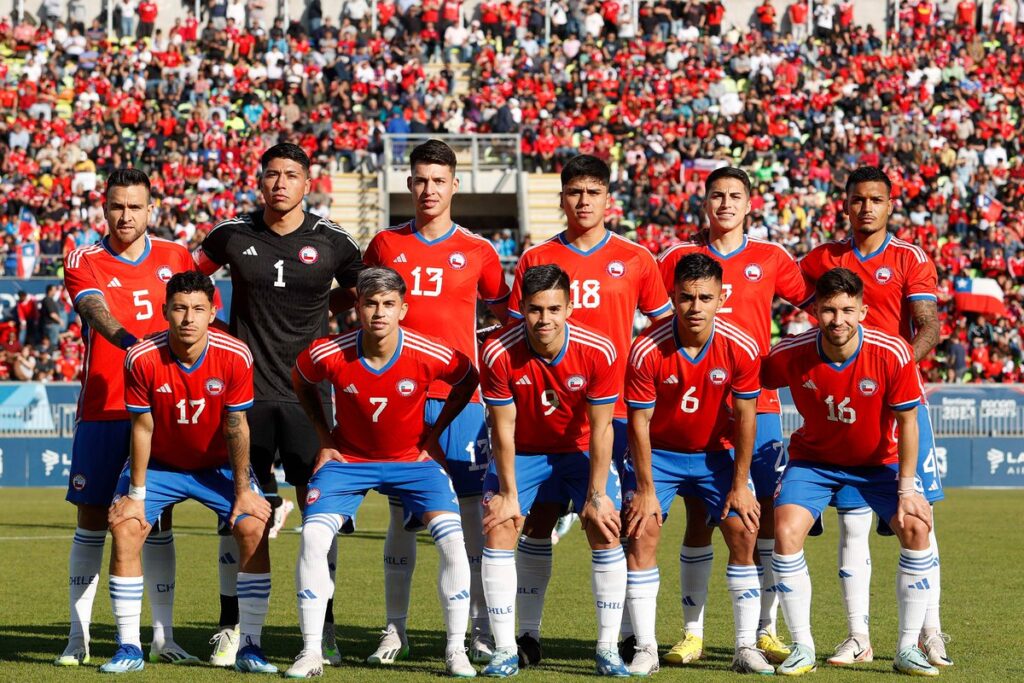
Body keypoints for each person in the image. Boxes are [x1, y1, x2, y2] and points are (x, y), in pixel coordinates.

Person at [195, 142, 364, 667]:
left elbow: (366, 297)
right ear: (260, 181)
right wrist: (218, 333)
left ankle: (325, 629)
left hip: (308, 402)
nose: (280, 184)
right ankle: (231, 627)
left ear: (306, 182)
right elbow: (188, 285)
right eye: (272, 175)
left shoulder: (334, 241)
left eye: (291, 175)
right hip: (244, 397)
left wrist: (325, 314)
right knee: (238, 514)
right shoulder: (231, 235)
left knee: (321, 518)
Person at [505, 154, 671, 666]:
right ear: (562, 198)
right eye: (574, 191)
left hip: (614, 412)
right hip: (544, 412)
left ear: (607, 200)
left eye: (593, 192)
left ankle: (624, 637)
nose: (583, 201)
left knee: (617, 521)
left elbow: (664, 328)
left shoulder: (637, 258)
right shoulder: (537, 258)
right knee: (537, 520)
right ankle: (527, 636)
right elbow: (515, 331)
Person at [286, 267, 480, 678]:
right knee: (313, 535)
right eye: (371, 303)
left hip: (412, 461)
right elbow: (300, 379)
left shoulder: (430, 352)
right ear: (356, 308)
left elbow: (467, 378)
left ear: (403, 309)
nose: (379, 312)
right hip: (349, 461)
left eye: (388, 304)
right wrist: (325, 435)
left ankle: (455, 650)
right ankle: (310, 651)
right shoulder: (329, 352)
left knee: (451, 541)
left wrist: (435, 433)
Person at [655, 167, 812, 665]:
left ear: (750, 204)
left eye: (734, 196)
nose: (725, 203)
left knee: (756, 516)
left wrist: (788, 355)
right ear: (704, 202)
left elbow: (822, 305)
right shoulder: (676, 259)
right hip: (691, 405)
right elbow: (659, 321)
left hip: (755, 405)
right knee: (699, 517)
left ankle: (763, 630)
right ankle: (692, 632)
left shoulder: (770, 258)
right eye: (716, 195)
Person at [362, 139, 510, 664]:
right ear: (409, 185)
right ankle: (395, 629)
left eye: (438, 181)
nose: (429, 190)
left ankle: (477, 630)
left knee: (471, 514)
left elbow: (504, 314)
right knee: (400, 513)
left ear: (454, 186)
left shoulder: (479, 251)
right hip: (399, 397)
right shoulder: (383, 245)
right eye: (420, 180)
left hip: (461, 401)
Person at [799, 166, 948, 668]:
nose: (867, 208)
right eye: (858, 199)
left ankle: (930, 631)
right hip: (845, 404)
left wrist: (896, 369)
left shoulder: (909, 257)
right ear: (845, 203)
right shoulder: (821, 259)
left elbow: (928, 325)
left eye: (876, 200)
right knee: (852, 525)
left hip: (899, 401)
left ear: (890, 205)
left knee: (918, 516)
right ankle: (858, 637)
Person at [761, 267, 939, 677]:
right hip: (814, 463)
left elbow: (908, 422)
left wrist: (908, 489)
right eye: (827, 311)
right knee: (785, 532)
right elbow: (751, 381)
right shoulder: (792, 352)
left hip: (879, 463)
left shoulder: (891, 350)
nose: (837, 320)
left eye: (846, 310)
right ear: (815, 312)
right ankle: (803, 645)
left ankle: (907, 646)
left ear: (863, 310)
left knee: (915, 527)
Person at [101, 271, 274, 673]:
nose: (188, 318)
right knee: (126, 526)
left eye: (198, 309)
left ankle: (250, 645)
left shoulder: (235, 355)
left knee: (252, 525)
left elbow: (237, 426)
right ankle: (128, 646)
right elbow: (142, 428)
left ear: (214, 312)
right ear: (165, 311)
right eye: (179, 308)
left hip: (217, 467)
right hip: (161, 465)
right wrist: (137, 496)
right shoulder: (142, 358)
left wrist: (245, 488)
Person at [59, 168, 196, 667]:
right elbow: (93, 307)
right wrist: (131, 344)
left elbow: (200, 318)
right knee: (92, 519)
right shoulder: (84, 257)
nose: (125, 216)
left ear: (150, 208)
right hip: (104, 407)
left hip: (160, 411)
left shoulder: (176, 256)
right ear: (104, 207)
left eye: (134, 207)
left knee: (156, 522)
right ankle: (78, 637)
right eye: (116, 206)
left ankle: (163, 636)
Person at [623, 253, 769, 675]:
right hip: (661, 456)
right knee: (642, 531)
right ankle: (646, 648)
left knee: (744, 529)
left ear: (722, 298)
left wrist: (740, 483)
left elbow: (745, 419)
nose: (696, 306)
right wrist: (647, 489)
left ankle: (744, 647)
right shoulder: (646, 347)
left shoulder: (740, 346)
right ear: (673, 296)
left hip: (714, 456)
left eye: (706, 297)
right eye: (687, 297)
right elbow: (640, 424)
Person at [479, 264, 628, 678]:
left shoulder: (598, 350)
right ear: (521, 308)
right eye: (534, 309)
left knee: (605, 525)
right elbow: (502, 429)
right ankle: (507, 649)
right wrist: (509, 493)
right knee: (500, 525)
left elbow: (601, 431)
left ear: (570, 307)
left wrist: (596, 495)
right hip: (524, 451)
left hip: (578, 450)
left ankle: (607, 648)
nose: (544, 319)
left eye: (553, 309)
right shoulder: (496, 351)